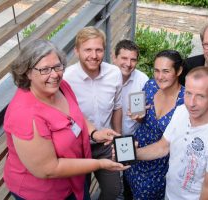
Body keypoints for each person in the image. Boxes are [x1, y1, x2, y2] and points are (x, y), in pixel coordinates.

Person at [3, 39, 128, 200]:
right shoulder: (24, 115)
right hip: (45, 193)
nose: (54, 74)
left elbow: (74, 115)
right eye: (45, 69)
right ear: (27, 72)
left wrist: (94, 133)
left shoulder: (61, 87)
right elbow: (48, 169)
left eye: (57, 66)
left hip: (77, 174)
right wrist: (100, 164)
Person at [135, 66, 208, 200]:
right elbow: (163, 146)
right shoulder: (181, 110)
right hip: (170, 194)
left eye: (200, 96)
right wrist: (131, 154)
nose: (191, 103)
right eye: (188, 93)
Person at [64, 27, 123, 200]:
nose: (94, 55)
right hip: (78, 147)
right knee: (82, 194)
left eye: (98, 50)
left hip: (105, 144)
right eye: (88, 50)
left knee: (113, 191)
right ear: (76, 51)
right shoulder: (67, 78)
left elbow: (117, 107)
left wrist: (118, 138)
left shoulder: (114, 73)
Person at [124, 50, 185, 199]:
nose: (159, 76)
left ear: (179, 71)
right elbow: (142, 118)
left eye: (166, 71)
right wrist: (138, 117)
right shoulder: (151, 85)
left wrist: (128, 154)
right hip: (137, 147)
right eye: (156, 70)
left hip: (160, 162)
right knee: (128, 189)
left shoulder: (185, 100)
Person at [112, 39, 149, 199]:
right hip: (107, 137)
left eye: (133, 59)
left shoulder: (142, 80)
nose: (128, 63)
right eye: (124, 58)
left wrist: (140, 118)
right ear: (115, 58)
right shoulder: (105, 77)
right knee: (111, 183)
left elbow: (140, 117)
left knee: (128, 177)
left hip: (130, 137)